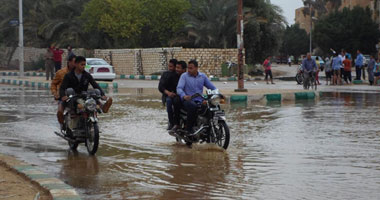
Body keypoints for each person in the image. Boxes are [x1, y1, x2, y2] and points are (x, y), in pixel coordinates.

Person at [58, 56, 113, 130]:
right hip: (72, 96)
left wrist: (102, 95)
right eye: (82, 64)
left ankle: (103, 107)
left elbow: (95, 85)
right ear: (76, 64)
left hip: (84, 95)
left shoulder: (87, 75)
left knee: (94, 94)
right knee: (62, 108)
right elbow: (62, 87)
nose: (83, 66)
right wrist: (63, 96)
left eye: (84, 65)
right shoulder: (68, 75)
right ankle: (63, 123)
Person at [177, 60, 217, 135]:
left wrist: (218, 95)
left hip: (200, 100)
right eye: (188, 68)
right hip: (188, 100)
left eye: (191, 68)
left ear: (196, 68)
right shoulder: (184, 76)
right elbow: (179, 88)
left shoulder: (202, 76)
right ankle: (189, 129)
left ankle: (208, 126)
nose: (189, 70)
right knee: (193, 106)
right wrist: (184, 96)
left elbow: (212, 88)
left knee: (212, 106)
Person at [158, 59, 179, 130]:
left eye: (172, 66)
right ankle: (171, 122)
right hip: (168, 95)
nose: (170, 68)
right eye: (169, 66)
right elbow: (160, 87)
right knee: (169, 102)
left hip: (178, 95)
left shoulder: (180, 74)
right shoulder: (165, 74)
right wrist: (168, 93)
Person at [169, 61, 188, 133]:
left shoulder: (191, 76)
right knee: (174, 102)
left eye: (178, 68)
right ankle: (176, 124)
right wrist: (169, 93)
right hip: (177, 95)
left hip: (190, 96)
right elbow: (178, 88)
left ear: (184, 69)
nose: (176, 69)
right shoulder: (174, 76)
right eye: (176, 67)